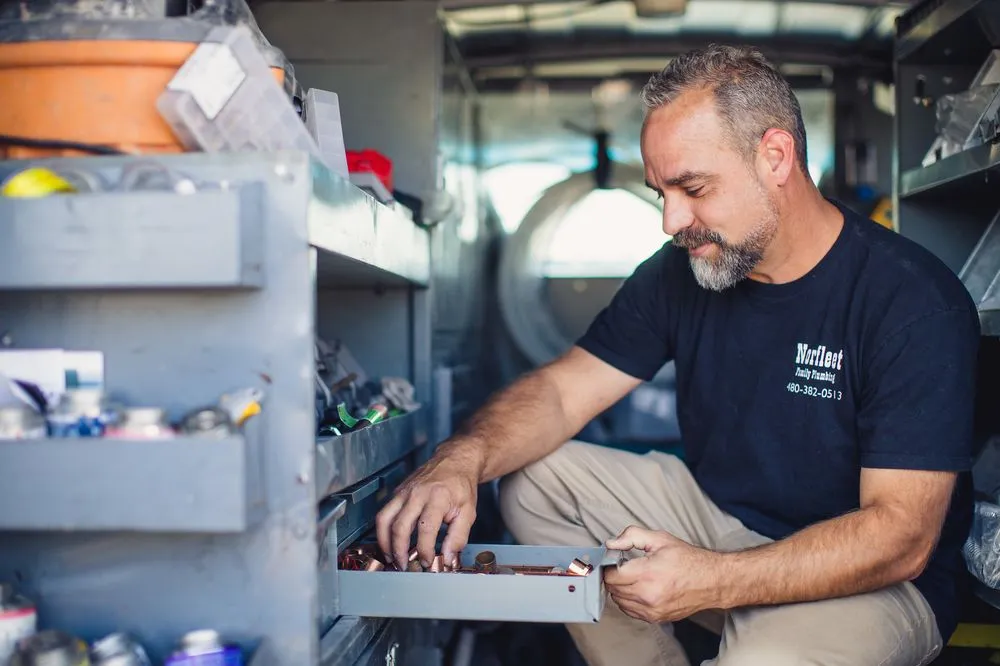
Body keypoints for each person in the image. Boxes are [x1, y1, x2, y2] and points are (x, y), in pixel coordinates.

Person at [376, 44, 980, 666]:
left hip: (877, 584)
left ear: (775, 157)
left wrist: (712, 579)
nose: (670, 220)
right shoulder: (682, 270)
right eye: (660, 191)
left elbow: (900, 538)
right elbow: (561, 391)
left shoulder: (911, 302)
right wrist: (462, 459)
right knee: (532, 480)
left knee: (760, 660)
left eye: (692, 187)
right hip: (721, 523)